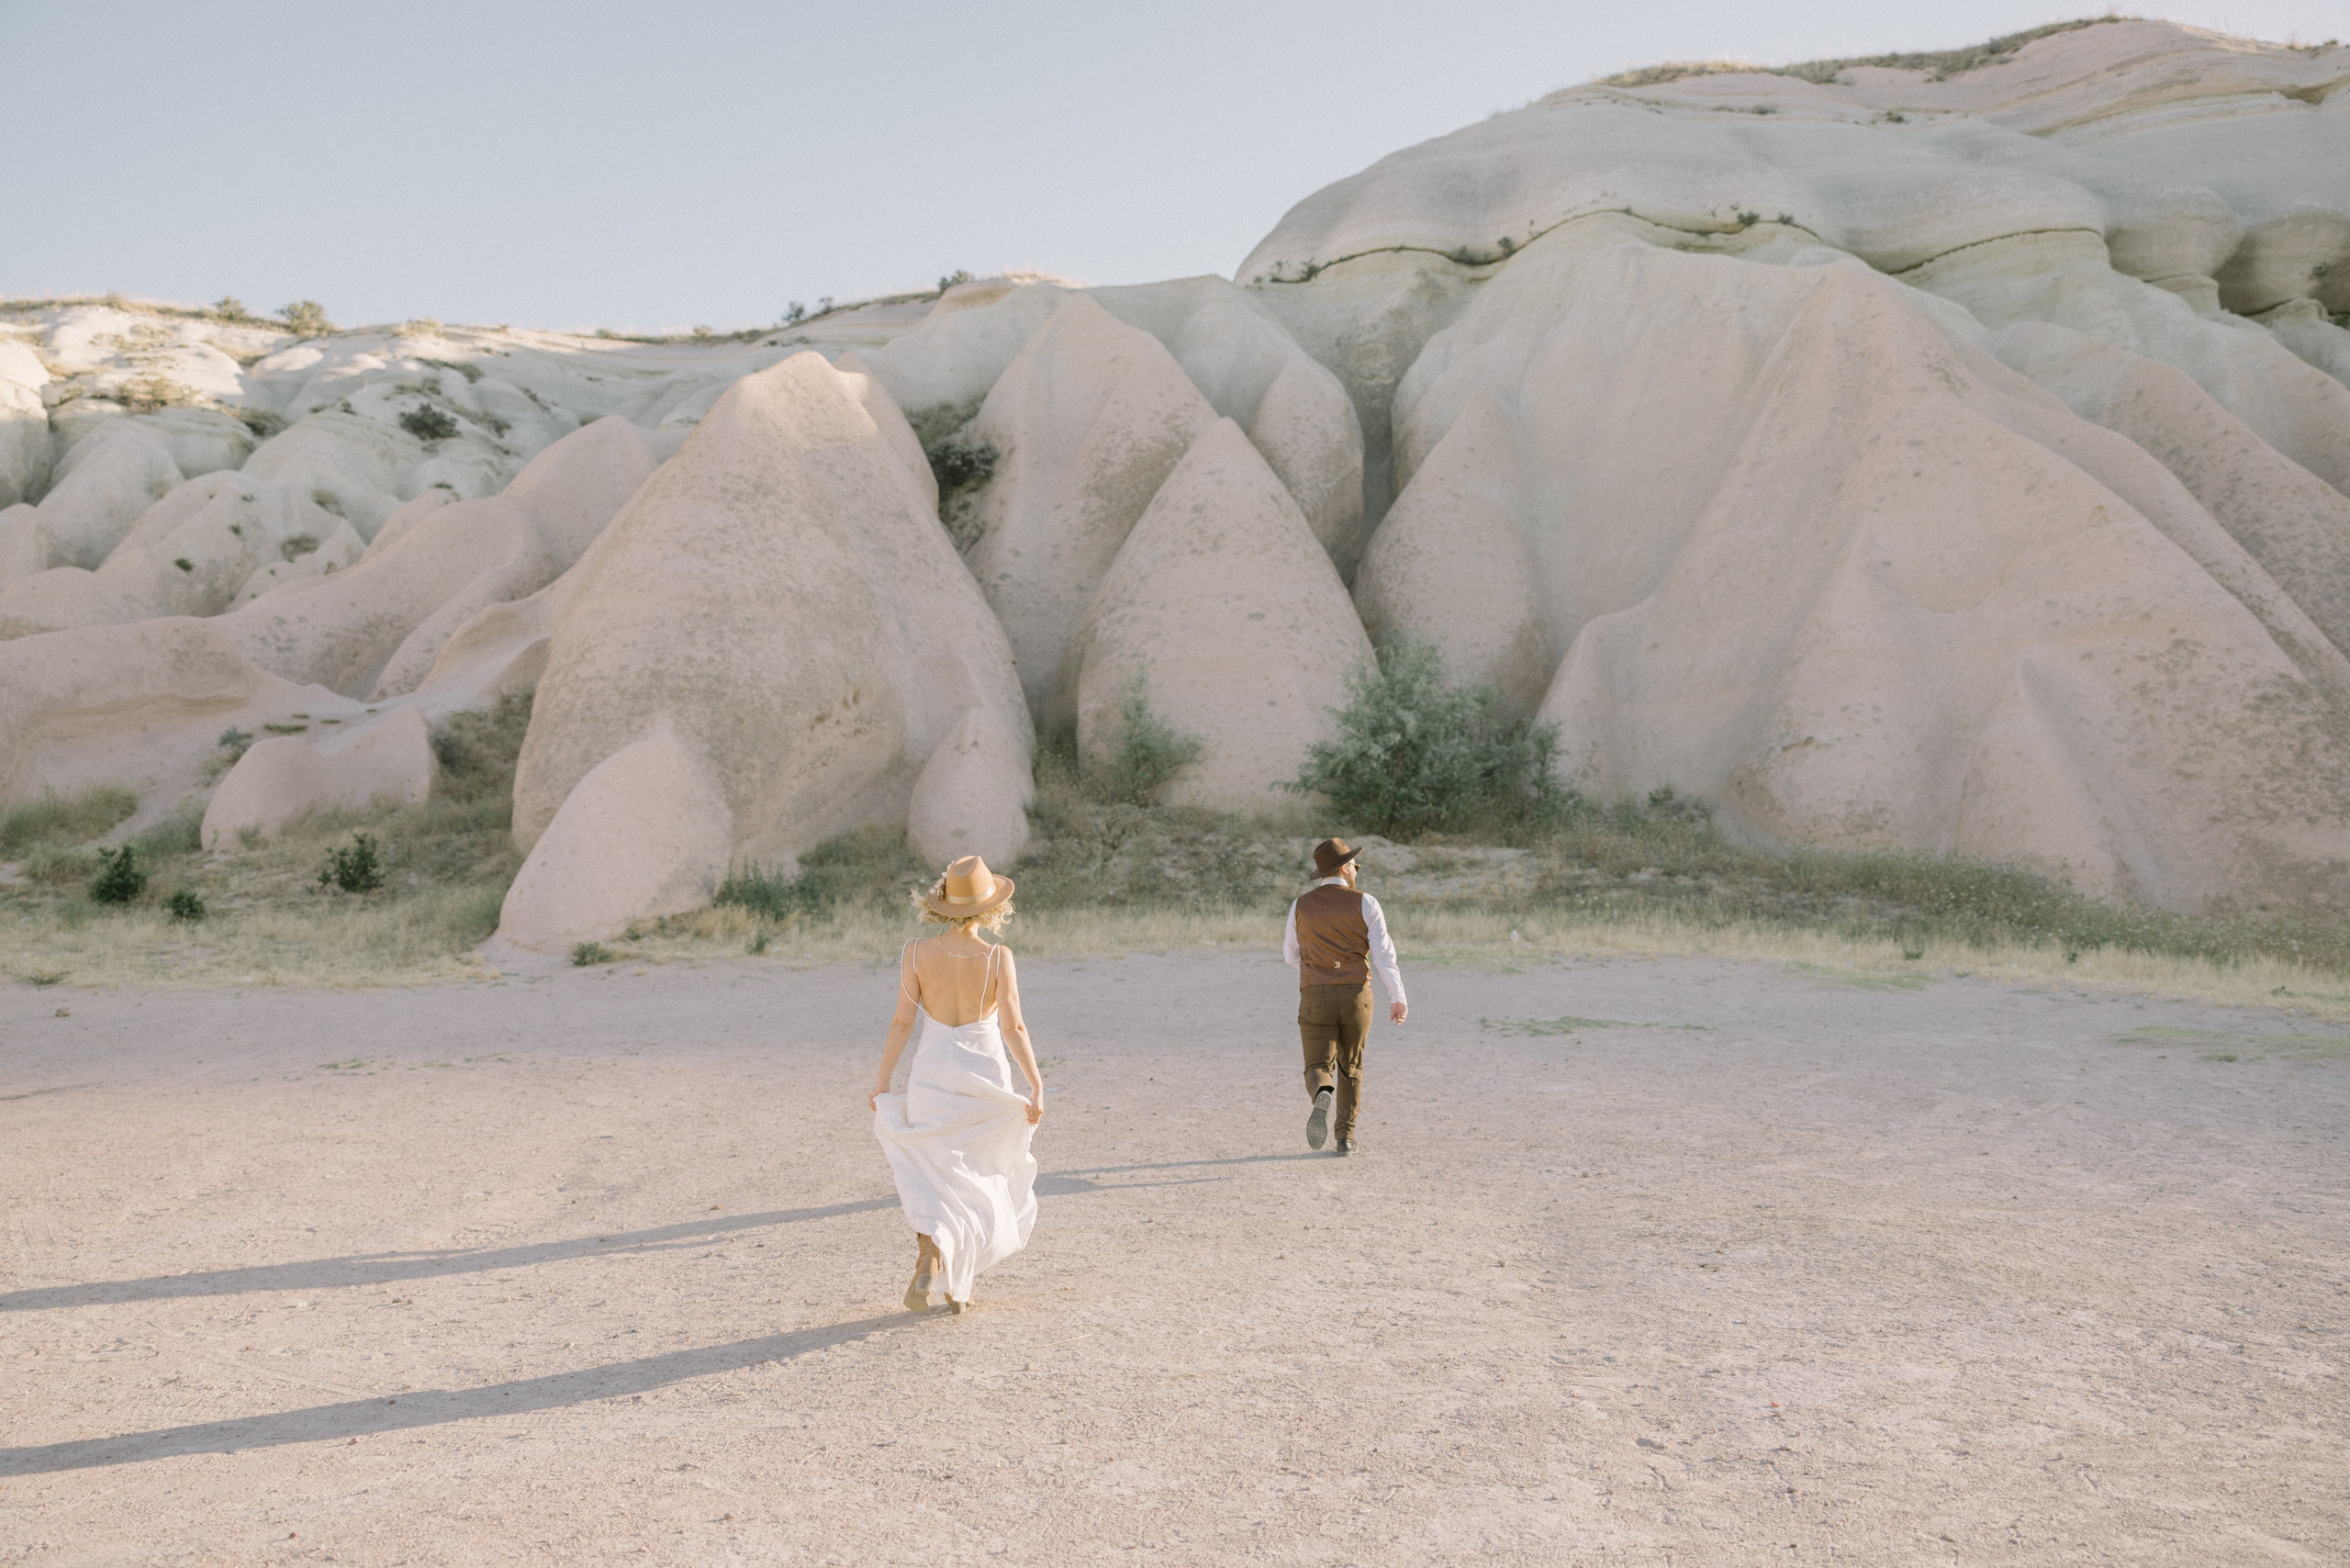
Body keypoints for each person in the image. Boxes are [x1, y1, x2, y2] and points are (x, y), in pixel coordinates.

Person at [869, 854, 1043, 1313]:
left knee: (931, 1166)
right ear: (991, 909)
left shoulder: (915, 953)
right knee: (979, 1172)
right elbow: (1014, 1028)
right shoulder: (997, 957)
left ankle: (930, 1256)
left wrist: (882, 1081)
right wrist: (1035, 1084)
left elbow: (902, 1023)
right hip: (982, 1073)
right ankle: (959, 1282)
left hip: (931, 1070)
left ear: (941, 904)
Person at [1281, 837, 1407, 1155]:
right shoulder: (1366, 902)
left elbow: (1290, 956)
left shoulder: (1300, 905)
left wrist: (1319, 965)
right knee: (1352, 1066)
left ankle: (1322, 1089)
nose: (1357, 868)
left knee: (1316, 1065)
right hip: (1356, 996)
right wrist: (1397, 996)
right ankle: (1345, 1138)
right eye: (1354, 863)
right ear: (1343, 868)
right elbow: (1383, 955)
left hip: (1315, 994)